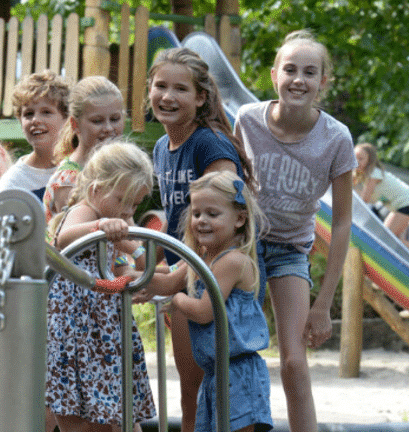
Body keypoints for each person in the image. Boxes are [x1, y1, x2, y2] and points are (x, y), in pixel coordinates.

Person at [234, 29, 356, 432]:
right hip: (244, 245)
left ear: (323, 81)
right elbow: (227, 189)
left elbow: (340, 224)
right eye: (290, 70)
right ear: (274, 75)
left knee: (292, 360)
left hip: (290, 249)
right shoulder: (247, 120)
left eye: (309, 71)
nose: (298, 79)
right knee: (230, 352)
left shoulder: (336, 139)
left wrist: (323, 304)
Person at [148, 46, 256, 432]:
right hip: (188, 271)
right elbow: (178, 221)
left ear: (200, 97)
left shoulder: (209, 145)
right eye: (160, 86)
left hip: (216, 275)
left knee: (223, 393)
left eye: (180, 89)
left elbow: (229, 219)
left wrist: (176, 281)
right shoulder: (162, 147)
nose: (167, 96)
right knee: (190, 391)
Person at [46, 142, 156, 431]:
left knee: (113, 407)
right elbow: (63, 239)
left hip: (100, 326)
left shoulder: (112, 220)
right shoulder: (84, 211)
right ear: (96, 190)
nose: (129, 211)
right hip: (76, 324)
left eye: (135, 204)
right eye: (123, 200)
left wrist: (138, 267)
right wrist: (99, 228)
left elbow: (144, 261)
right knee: (84, 410)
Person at [162, 171, 273, 432]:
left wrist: (177, 299)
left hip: (237, 372)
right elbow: (168, 278)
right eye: (197, 213)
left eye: (212, 214)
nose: (201, 221)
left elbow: (203, 312)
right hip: (217, 373)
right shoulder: (205, 257)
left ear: (239, 219)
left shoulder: (232, 261)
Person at [41, 76, 126, 221]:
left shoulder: (115, 167)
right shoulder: (68, 181)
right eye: (97, 121)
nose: (108, 128)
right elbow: (75, 239)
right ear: (75, 125)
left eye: (115, 119)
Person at [0, 70, 71, 200]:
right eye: (28, 114)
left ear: (66, 118)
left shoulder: (83, 166)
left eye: (46, 112)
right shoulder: (13, 183)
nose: (35, 120)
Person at [353, 143, 409, 238]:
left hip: (407, 202)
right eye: (354, 158)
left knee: (386, 238)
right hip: (400, 205)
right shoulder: (363, 175)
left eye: (361, 159)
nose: (357, 161)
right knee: (388, 238)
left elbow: (364, 200)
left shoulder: (373, 173)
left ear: (369, 161)